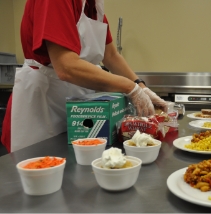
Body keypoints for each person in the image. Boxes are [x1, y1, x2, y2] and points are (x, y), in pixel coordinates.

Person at [1, 0, 167, 153]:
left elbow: (111, 55)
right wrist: (130, 88)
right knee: (43, 170)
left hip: (76, 104)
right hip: (43, 107)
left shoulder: (92, 5)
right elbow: (66, 66)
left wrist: (142, 87)